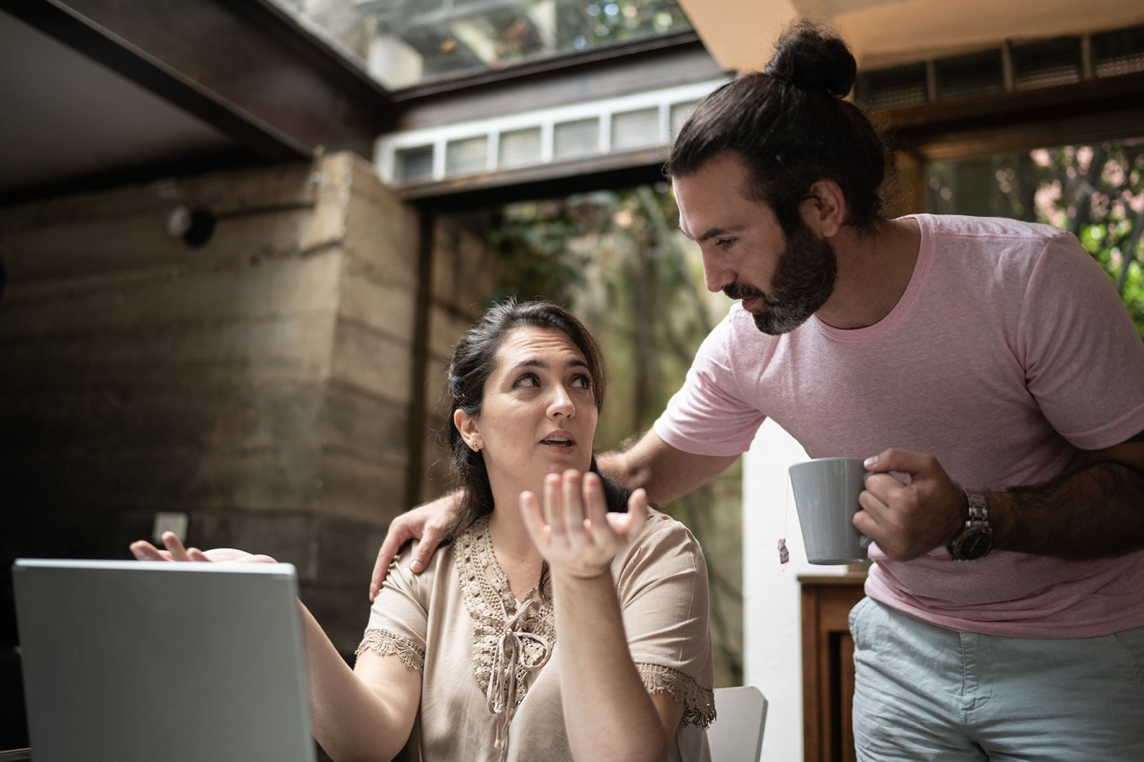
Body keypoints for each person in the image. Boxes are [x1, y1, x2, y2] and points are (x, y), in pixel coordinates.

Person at [371, 20, 1144, 762]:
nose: (713, 281)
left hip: (1080, 649)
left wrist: (973, 515)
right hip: (904, 648)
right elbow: (636, 475)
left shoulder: (1028, 279)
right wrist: (487, 497)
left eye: (726, 240)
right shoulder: (749, 344)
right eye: (698, 244)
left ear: (823, 208)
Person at [131, 300, 715, 762]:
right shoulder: (427, 561)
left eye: (580, 381)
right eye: (530, 382)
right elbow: (368, 739)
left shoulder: (658, 553)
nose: (564, 402)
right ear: (471, 428)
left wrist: (583, 575)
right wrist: (275, 605)